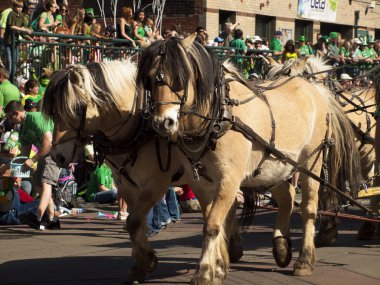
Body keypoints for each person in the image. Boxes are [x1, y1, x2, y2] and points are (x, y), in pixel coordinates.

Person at [5, 100, 61, 230]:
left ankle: (38, 217)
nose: (9, 119)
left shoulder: (35, 118)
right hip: (43, 155)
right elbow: (23, 155)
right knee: (37, 185)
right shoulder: (23, 128)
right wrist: (9, 167)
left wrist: (32, 160)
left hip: (55, 152)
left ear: (15, 113)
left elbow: (48, 143)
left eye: (9, 116)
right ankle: (52, 219)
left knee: (46, 184)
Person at [3, 0, 32, 82]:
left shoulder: (22, 15)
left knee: (15, 60)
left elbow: (24, 26)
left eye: (21, 7)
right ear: (14, 7)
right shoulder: (11, 14)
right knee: (9, 61)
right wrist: (22, 29)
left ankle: (13, 77)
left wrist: (28, 30)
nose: (19, 9)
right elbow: (11, 26)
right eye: (18, 7)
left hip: (16, 42)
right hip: (8, 41)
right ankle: (8, 78)